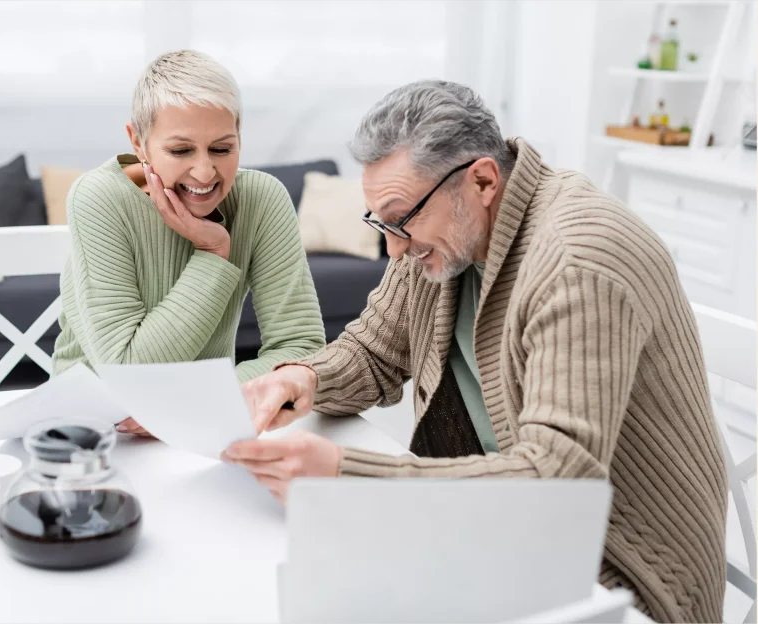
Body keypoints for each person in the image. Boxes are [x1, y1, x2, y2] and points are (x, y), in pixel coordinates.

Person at [223, 80, 727, 623]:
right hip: (503, 530)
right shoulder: (440, 242)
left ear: (482, 181)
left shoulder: (578, 262)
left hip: (619, 574)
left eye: (402, 219)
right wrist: (302, 377)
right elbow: (373, 352)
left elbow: (557, 482)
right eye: (380, 222)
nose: (392, 248)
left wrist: (349, 480)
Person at [52, 50, 325, 436]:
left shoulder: (262, 199)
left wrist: (209, 401)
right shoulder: (99, 197)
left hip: (206, 425)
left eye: (222, 148)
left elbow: (302, 350)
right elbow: (127, 375)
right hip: (97, 429)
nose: (205, 171)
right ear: (138, 141)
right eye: (180, 150)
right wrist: (213, 254)